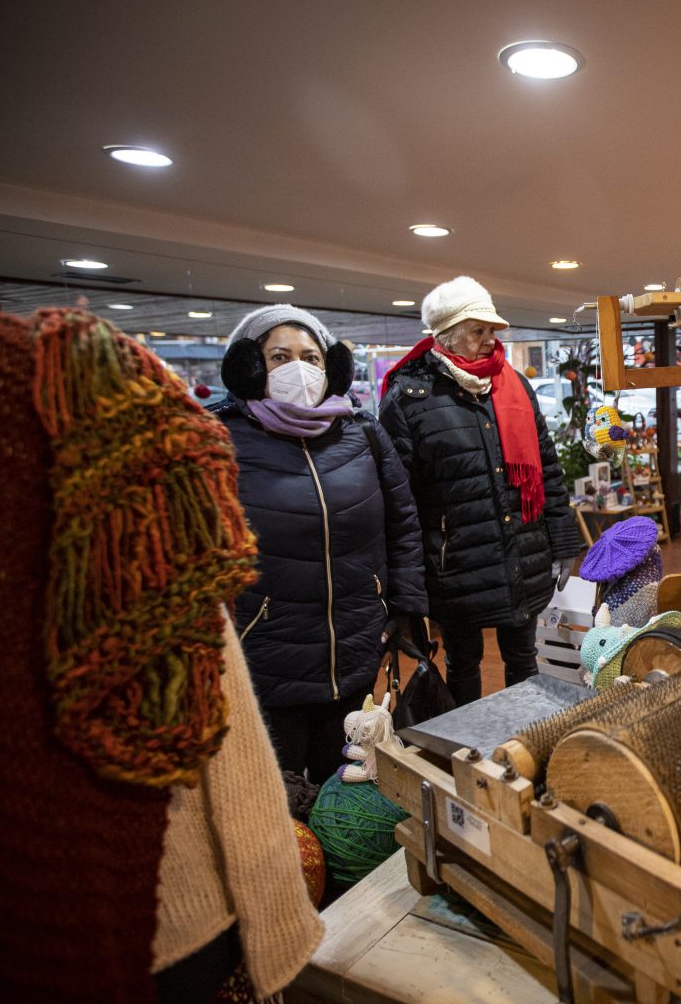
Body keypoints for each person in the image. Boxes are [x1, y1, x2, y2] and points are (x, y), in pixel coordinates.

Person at [215, 304, 428, 778]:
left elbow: (403, 523)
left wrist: (404, 609)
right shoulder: (220, 439)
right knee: (280, 794)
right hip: (268, 655)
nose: (298, 368)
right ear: (249, 366)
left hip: (355, 644)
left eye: (310, 357)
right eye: (279, 356)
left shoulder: (362, 432)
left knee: (349, 781)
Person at [379, 276, 584, 704]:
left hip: (522, 554)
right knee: (462, 664)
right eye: (478, 331)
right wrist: (408, 581)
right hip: (456, 565)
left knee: (524, 658)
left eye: (492, 330)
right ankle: (468, 751)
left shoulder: (513, 385)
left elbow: (547, 468)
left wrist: (563, 542)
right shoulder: (409, 397)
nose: (491, 340)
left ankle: (523, 745)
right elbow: (399, 500)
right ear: (447, 336)